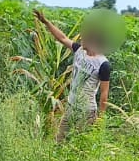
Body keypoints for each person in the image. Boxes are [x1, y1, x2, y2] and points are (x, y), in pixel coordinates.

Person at [32, 10, 111, 142]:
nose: (80, 39)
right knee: (59, 141)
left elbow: (104, 93)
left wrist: (101, 119)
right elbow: (62, 38)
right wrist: (45, 22)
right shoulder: (79, 51)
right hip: (71, 106)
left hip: (86, 111)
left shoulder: (103, 64)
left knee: (81, 145)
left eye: (83, 38)